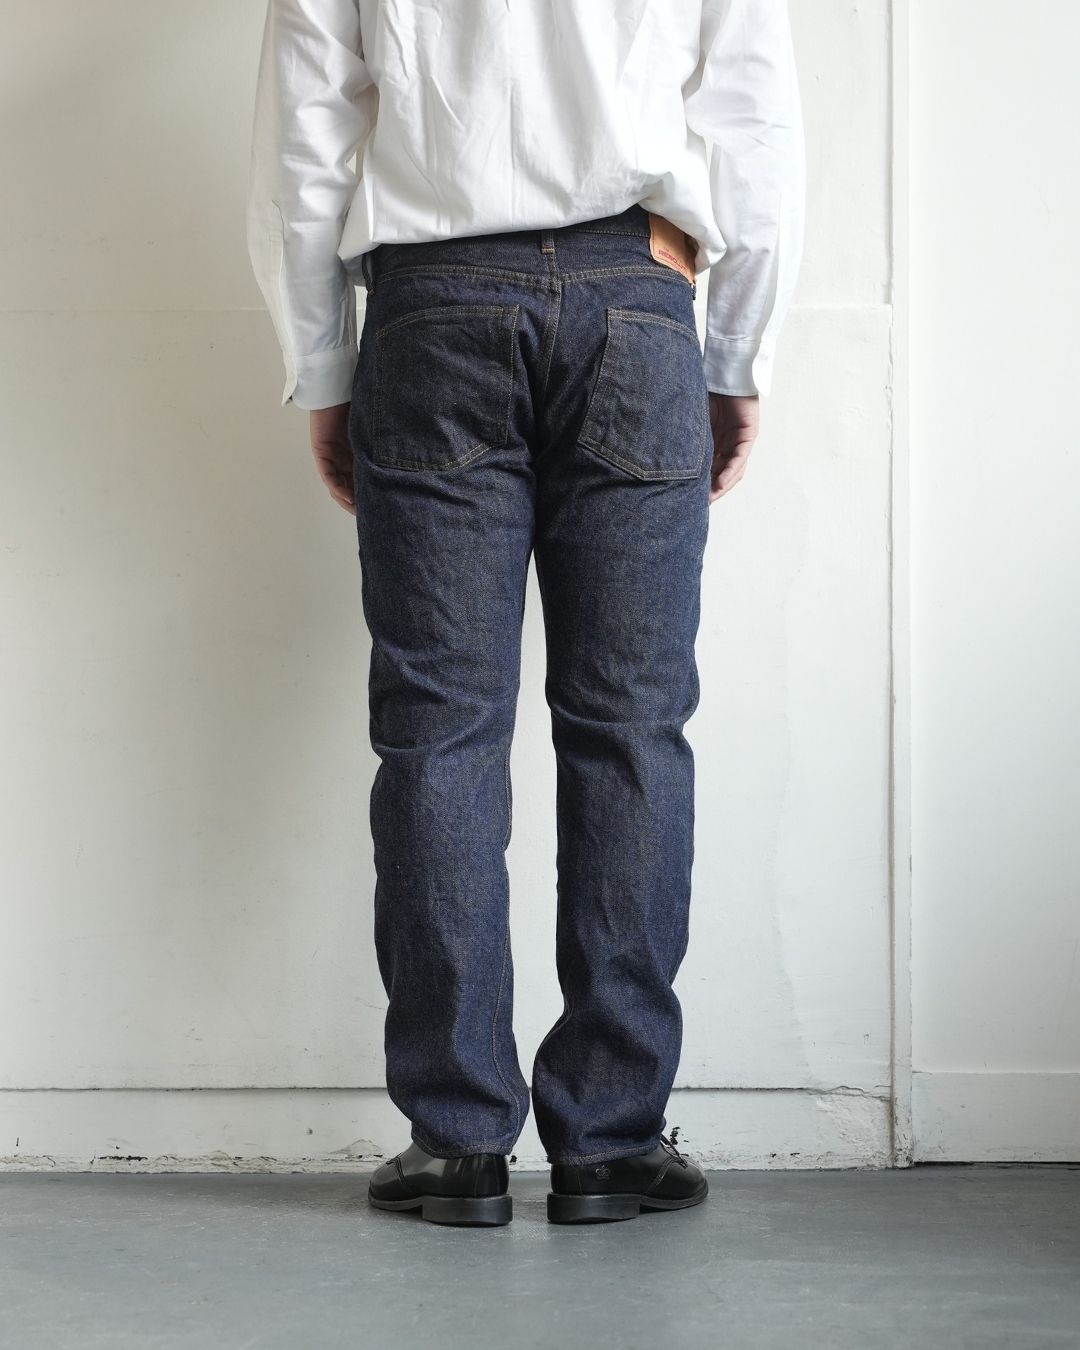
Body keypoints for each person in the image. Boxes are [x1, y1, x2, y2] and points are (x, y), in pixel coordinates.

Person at [246, 0, 804, 1227]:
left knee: (439, 734)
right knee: (631, 728)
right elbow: (754, 120)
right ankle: (611, 1140)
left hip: (431, 308)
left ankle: (456, 1143)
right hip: (637, 302)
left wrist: (323, 367)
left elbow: (304, 135)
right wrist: (735, 357)